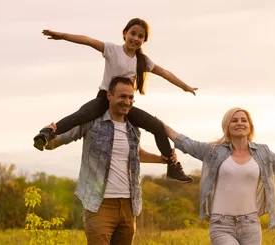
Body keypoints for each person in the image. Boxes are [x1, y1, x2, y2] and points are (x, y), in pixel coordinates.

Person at [33, 18, 195, 182]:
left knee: (158, 127)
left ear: (143, 41)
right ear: (124, 34)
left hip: (125, 105)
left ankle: (172, 167)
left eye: (140, 36)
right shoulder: (112, 50)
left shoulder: (142, 61)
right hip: (104, 99)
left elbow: (164, 73)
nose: (136, 39)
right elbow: (88, 41)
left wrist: (185, 87)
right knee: (80, 116)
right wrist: (62, 36)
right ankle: (47, 133)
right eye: (133, 33)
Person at [43, 77, 178, 245]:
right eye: (122, 96)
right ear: (109, 95)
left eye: (130, 98)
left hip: (129, 205)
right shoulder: (90, 122)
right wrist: (46, 139)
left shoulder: (133, 127)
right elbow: (55, 143)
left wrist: (161, 160)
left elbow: (136, 154)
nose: (127, 102)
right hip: (100, 206)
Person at [164, 107, 275, 245]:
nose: (240, 123)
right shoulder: (213, 151)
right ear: (227, 126)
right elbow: (187, 143)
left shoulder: (262, 152)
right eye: (234, 120)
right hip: (221, 224)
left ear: (249, 126)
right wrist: (157, 125)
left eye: (244, 120)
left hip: (250, 224)